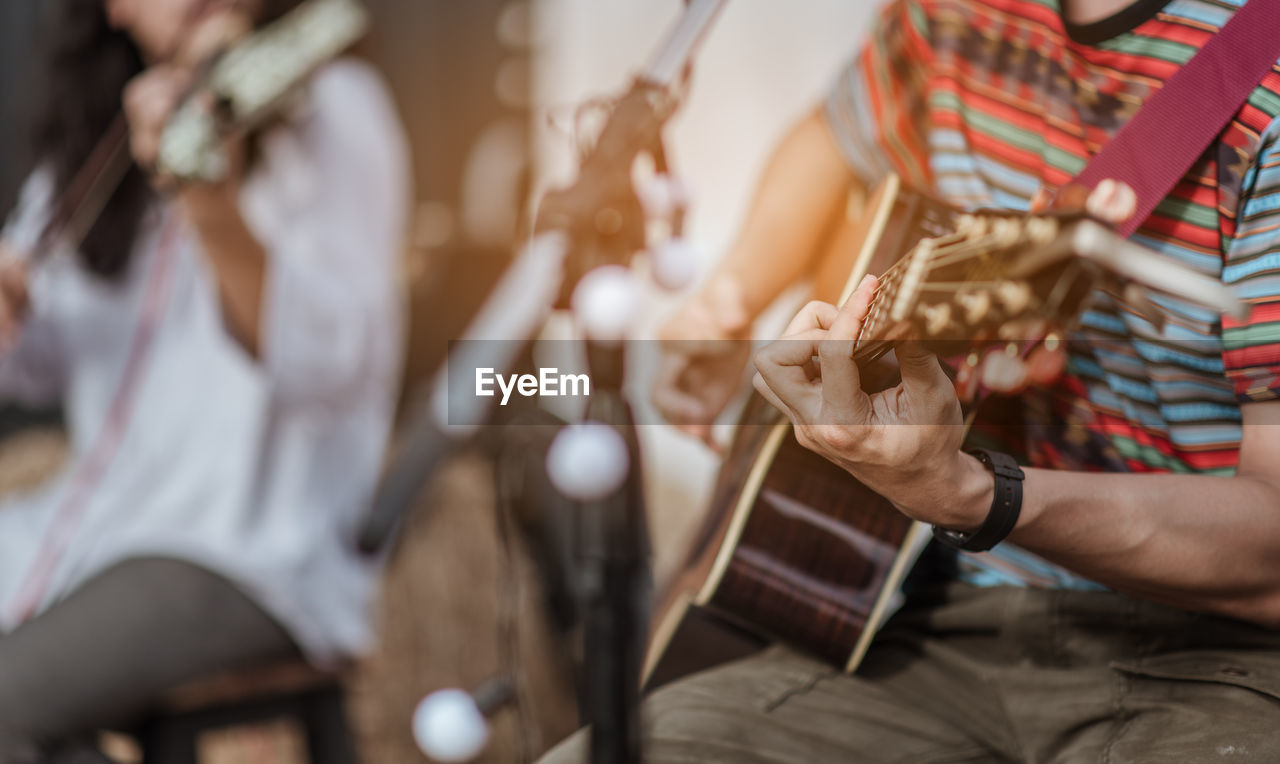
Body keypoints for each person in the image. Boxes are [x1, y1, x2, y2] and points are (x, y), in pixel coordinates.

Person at [547, 0, 1280, 761]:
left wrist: (967, 494)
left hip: (1223, 664)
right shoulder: (952, 12)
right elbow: (836, 136)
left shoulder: (1263, 76)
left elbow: (1271, 558)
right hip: (936, 623)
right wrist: (733, 297)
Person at [0, 0, 409, 760]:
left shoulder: (333, 108)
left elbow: (330, 366)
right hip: (98, 527)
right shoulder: (93, 141)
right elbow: (42, 361)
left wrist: (211, 206)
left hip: (251, 550)